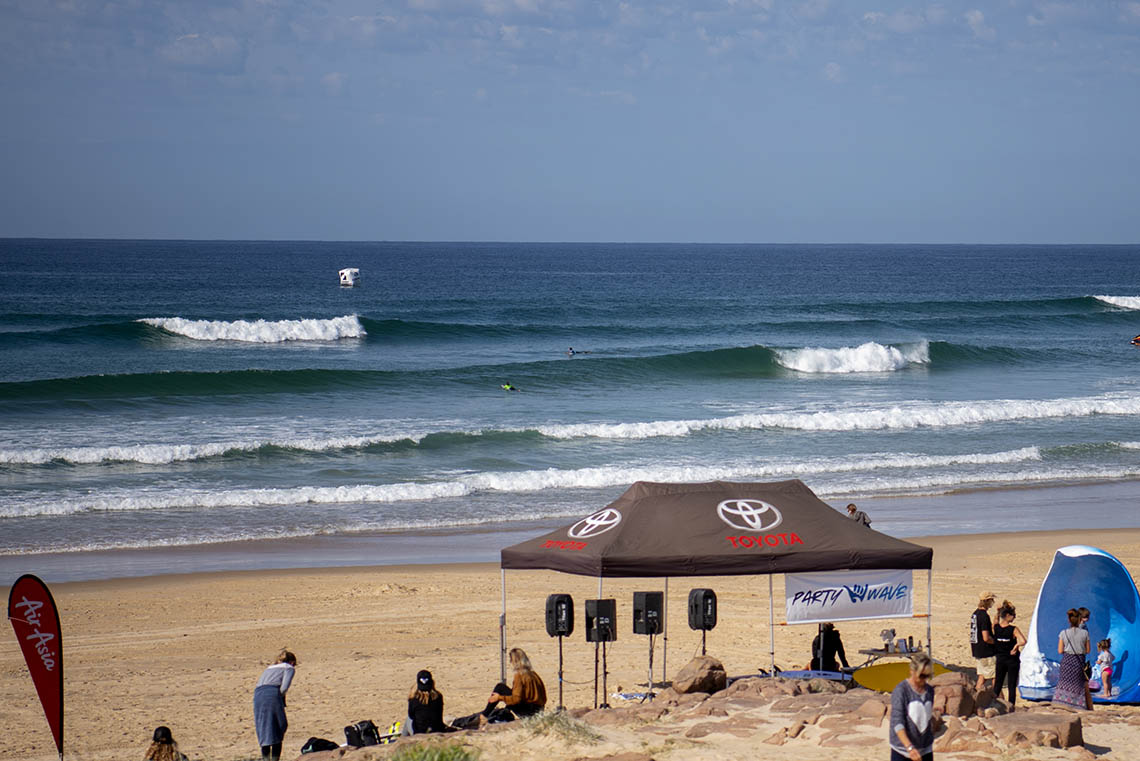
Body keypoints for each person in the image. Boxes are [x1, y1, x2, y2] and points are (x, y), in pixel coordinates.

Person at [888, 653, 935, 761]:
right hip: (902, 751)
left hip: (925, 749)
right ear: (912, 671)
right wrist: (909, 747)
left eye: (928, 676)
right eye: (921, 676)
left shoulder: (929, 691)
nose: (924, 680)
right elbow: (897, 722)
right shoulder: (901, 690)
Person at [253, 649, 296, 761]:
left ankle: (265, 758)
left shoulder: (269, 668)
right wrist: (280, 697)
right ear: (291, 662)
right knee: (278, 727)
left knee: (263, 728)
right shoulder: (289, 668)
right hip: (272, 694)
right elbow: (284, 687)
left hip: (258, 695)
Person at [482, 647, 547, 721]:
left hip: (528, 712)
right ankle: (495, 713)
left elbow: (516, 699)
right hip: (538, 710)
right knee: (506, 691)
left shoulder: (519, 675)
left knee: (500, 687)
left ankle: (484, 715)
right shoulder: (533, 674)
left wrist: (499, 698)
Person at [992, 600, 1026, 710]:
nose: (1014, 617)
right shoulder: (1013, 629)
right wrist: (1015, 646)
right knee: (1011, 685)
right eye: (1013, 615)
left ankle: (994, 704)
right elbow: (1023, 641)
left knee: (998, 683)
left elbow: (994, 621)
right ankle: (1011, 706)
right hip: (1012, 660)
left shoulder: (996, 628)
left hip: (1000, 659)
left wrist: (997, 612)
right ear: (1007, 615)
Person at [1054, 608, 1091, 710]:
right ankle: (1077, 706)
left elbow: (1060, 651)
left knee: (1064, 684)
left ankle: (1061, 705)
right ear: (1079, 619)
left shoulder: (1063, 633)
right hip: (1078, 662)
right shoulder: (1085, 633)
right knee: (1078, 686)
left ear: (1069, 620)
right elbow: (1088, 650)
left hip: (1066, 662)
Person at [407, 670, 455, 734]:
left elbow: (411, 715)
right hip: (437, 729)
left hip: (420, 732)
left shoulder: (413, 698)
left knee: (408, 719)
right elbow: (439, 714)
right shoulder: (438, 696)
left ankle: (403, 739)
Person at [969, 591, 996, 692]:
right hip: (986, 651)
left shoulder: (975, 614)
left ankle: (975, 697)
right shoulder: (984, 616)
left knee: (982, 676)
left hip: (977, 650)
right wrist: (995, 643)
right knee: (995, 677)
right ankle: (1000, 699)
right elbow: (986, 637)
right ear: (988, 601)